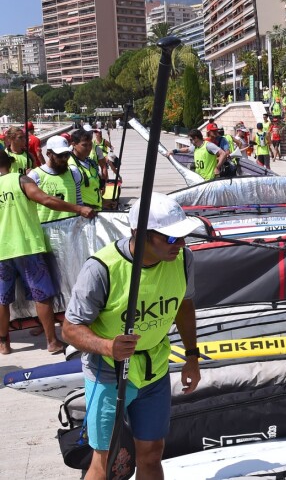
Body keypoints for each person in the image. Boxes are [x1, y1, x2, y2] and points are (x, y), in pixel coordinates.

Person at [62, 193, 201, 478]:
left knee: (151, 453)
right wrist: (106, 346)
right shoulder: (101, 268)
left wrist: (192, 356)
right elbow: (70, 328)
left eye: (184, 236)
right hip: (109, 373)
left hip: (155, 370)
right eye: (172, 238)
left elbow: (184, 308)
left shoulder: (183, 259)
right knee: (107, 460)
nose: (182, 244)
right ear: (140, 234)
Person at [0, 149, 95, 356]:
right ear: (9, 161)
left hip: (1, 250)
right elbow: (45, 199)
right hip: (27, 247)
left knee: (2, 299)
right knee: (41, 296)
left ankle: (4, 344)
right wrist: (79, 209)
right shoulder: (20, 179)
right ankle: (52, 341)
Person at [28, 136, 84, 223]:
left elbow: (79, 201)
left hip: (70, 229)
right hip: (45, 229)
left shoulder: (74, 172)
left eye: (67, 154)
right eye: (60, 155)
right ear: (48, 153)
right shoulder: (35, 176)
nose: (64, 158)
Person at [69, 129, 104, 210]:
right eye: (84, 145)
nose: (88, 148)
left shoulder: (90, 162)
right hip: (84, 215)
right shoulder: (71, 166)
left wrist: (104, 202)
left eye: (90, 144)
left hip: (96, 210)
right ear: (74, 144)